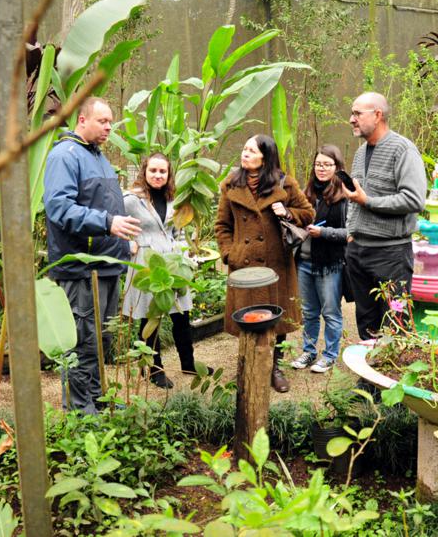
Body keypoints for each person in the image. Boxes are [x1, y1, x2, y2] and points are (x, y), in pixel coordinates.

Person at [43, 97, 141, 414]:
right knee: (81, 339)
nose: (109, 127)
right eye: (103, 121)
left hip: (107, 266)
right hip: (81, 268)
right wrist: (108, 222)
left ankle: (96, 399)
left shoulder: (98, 157)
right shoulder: (65, 155)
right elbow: (59, 208)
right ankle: (78, 408)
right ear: (82, 120)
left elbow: (101, 204)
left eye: (111, 121)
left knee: (101, 340)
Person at [215, 134, 315, 393]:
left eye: (251, 150)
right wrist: (230, 253)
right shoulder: (230, 184)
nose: (244, 153)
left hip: (276, 265)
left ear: (265, 156)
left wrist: (288, 212)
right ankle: (246, 365)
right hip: (244, 266)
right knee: (246, 317)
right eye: (244, 148)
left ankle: (275, 367)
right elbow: (222, 225)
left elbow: (308, 213)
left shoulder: (285, 184)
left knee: (276, 316)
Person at [122, 153, 210, 389]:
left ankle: (188, 363)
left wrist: (186, 256)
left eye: (163, 171)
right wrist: (126, 244)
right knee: (150, 316)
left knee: (181, 315)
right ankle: (154, 369)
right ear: (144, 171)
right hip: (146, 261)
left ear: (169, 174)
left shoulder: (175, 199)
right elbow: (113, 224)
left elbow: (179, 232)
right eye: (153, 171)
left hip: (173, 262)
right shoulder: (131, 200)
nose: (158, 175)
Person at [343, 92, 427, 341]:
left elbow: (414, 200)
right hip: (358, 252)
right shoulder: (360, 153)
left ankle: (393, 378)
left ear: (377, 115)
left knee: (396, 321)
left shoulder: (402, 149)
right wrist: (350, 233)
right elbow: (354, 199)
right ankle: (369, 379)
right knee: (366, 319)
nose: (351, 119)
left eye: (357, 113)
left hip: (390, 254)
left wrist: (368, 201)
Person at [290, 145, 349, 373]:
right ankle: (309, 351)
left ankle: (330, 355)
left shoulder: (344, 197)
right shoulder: (307, 193)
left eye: (327, 164)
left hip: (330, 264)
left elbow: (350, 234)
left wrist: (323, 233)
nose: (321, 169)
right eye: (318, 164)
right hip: (304, 261)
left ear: (337, 167)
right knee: (309, 312)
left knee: (331, 312)